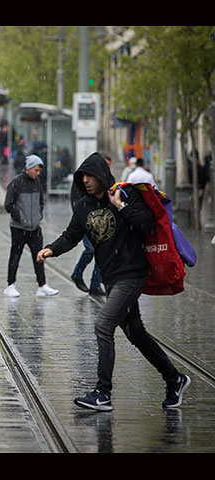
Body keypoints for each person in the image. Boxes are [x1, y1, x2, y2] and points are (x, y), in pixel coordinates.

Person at [36, 152, 191, 411]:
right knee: (135, 333)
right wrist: (51, 249)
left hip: (132, 274)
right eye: (82, 176)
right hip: (111, 277)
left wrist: (120, 206)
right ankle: (174, 378)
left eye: (90, 176)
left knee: (103, 325)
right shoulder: (84, 206)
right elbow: (71, 235)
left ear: (101, 176)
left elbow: (146, 225)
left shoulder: (124, 195)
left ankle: (103, 393)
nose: (85, 180)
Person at [3, 154, 59, 297]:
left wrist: (38, 216)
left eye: (39, 171)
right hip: (19, 228)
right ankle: (10, 284)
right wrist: (20, 218)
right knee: (15, 255)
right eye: (35, 170)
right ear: (28, 168)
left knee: (39, 255)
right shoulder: (16, 183)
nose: (37, 173)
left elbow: (41, 201)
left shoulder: (37, 182)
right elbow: (8, 204)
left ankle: (42, 285)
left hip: (35, 227)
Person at [70, 153, 112, 296]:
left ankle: (94, 284)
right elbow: (76, 202)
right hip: (87, 223)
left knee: (101, 249)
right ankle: (78, 273)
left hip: (100, 223)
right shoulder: (83, 183)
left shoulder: (107, 184)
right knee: (91, 250)